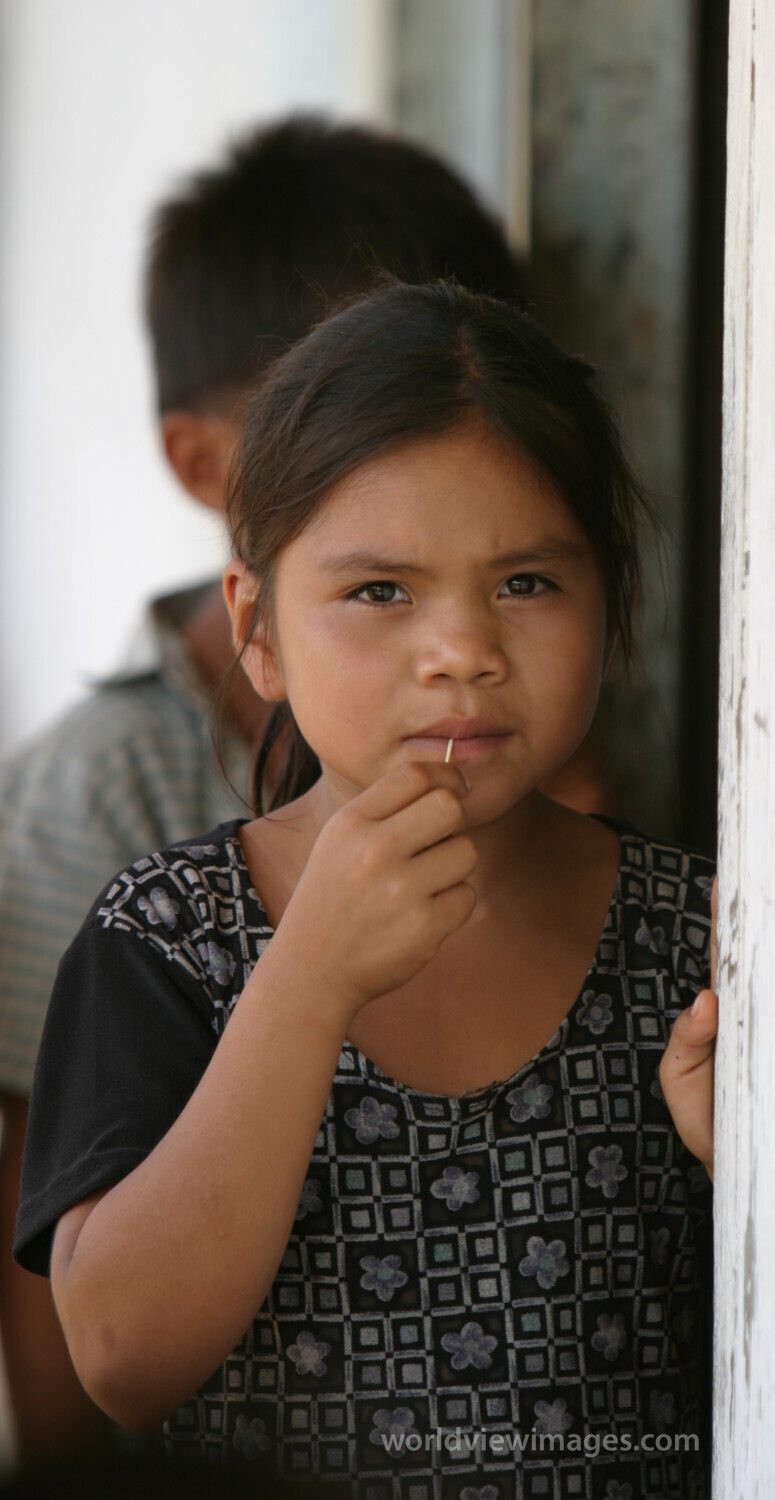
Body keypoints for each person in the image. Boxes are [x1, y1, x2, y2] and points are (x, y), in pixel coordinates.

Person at [15, 282, 717, 1499]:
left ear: (613, 607)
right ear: (258, 630)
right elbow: (119, 1359)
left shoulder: (697, 940)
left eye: (527, 584)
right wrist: (305, 981)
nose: (460, 650)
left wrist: (752, 1171)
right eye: (380, 591)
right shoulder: (169, 941)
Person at [0, 116, 529, 1466]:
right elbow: (51, 1254)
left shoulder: (515, 725)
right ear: (202, 466)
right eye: (338, 402)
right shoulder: (104, 797)